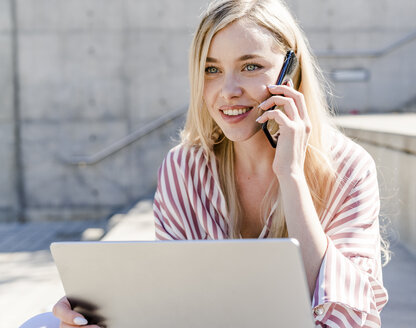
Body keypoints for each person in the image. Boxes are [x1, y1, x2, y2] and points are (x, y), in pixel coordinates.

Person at [47, 0, 389, 327]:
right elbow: (174, 305)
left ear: (290, 73)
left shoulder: (348, 168)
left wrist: (292, 177)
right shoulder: (184, 169)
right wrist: (100, 315)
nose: (227, 90)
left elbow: (347, 318)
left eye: (250, 66)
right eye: (212, 69)